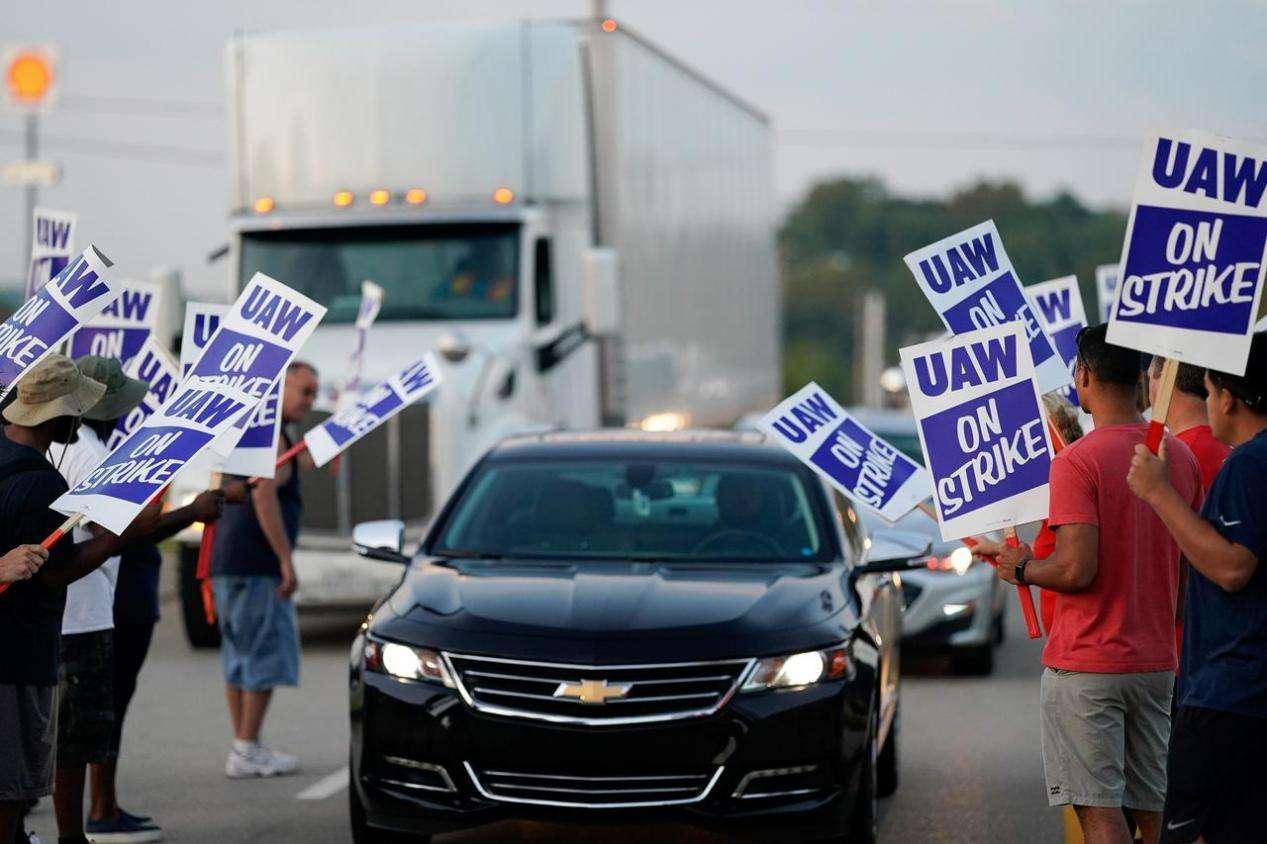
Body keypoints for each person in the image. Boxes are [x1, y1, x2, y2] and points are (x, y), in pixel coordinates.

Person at [990, 325, 1201, 844]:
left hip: (1087, 667)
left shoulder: (1076, 461)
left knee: (1100, 815)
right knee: (1155, 813)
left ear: (1083, 378)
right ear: (1142, 383)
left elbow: (1073, 570)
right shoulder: (1180, 457)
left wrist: (1018, 567)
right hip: (1156, 664)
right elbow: (1187, 574)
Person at [44, 356, 226, 844]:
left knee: (63, 733)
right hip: (80, 617)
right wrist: (189, 512)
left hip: (70, 610)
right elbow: (112, 533)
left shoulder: (73, 446)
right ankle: (76, 830)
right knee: (74, 738)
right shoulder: (86, 453)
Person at [1127, 333, 1267, 844]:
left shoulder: (1250, 464)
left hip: (1232, 696)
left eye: (1209, 392)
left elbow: (1232, 567)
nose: (1208, 404)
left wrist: (1160, 493)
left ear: (1228, 396)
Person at [0, 356, 118, 844]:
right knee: (9, 796)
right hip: (16, 662)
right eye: (76, 408)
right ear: (57, 416)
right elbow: (56, 574)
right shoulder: (43, 483)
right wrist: (117, 535)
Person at [211, 361, 319, 778]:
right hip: (256, 562)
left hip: (229, 559)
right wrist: (285, 560)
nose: (310, 401)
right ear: (281, 388)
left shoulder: (259, 433)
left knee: (239, 654)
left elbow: (290, 468)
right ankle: (247, 746)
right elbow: (265, 497)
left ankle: (244, 744)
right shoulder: (271, 437)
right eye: (305, 391)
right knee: (262, 652)